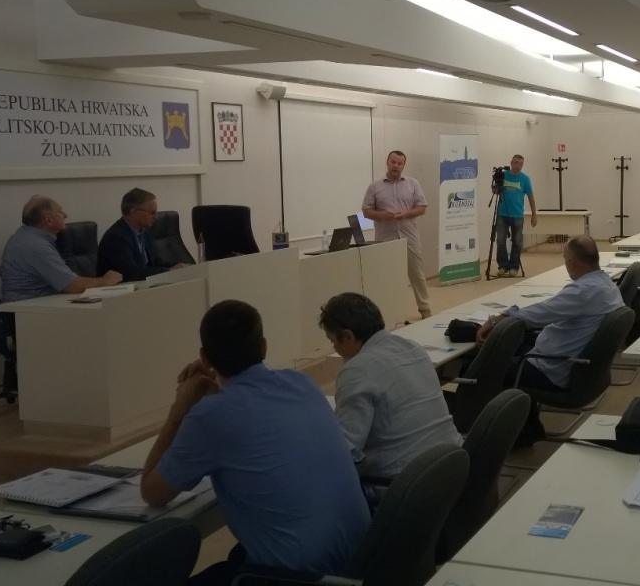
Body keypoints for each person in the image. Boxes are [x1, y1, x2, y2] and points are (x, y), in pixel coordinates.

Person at [141, 300, 370, 585]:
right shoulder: (302, 384)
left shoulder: (211, 416)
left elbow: (152, 492)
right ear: (263, 347)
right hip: (360, 561)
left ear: (204, 357)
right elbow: (249, 414)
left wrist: (178, 412)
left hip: (298, 578)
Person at [476, 235, 623, 438]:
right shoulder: (607, 285)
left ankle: (513, 432)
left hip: (552, 370)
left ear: (572, 262)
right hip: (577, 366)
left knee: (486, 366)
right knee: (514, 342)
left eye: (565, 260)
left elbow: (540, 313)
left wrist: (497, 319)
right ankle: (527, 424)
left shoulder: (583, 290)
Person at [320, 292, 461, 481]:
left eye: (332, 341)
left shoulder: (356, 370)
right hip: (453, 467)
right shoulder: (413, 347)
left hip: (403, 484)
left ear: (347, 336)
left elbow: (347, 450)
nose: (335, 349)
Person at [0, 195, 122, 301]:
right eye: (60, 211)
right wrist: (105, 280)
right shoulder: (34, 245)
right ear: (48, 220)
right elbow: (72, 286)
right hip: (26, 311)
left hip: (41, 305)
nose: (65, 215)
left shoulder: (27, 237)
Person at [362, 150, 431, 318]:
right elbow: (366, 211)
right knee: (386, 277)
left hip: (409, 237)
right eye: (393, 162)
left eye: (400, 163)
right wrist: (382, 216)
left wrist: (407, 213)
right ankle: (388, 313)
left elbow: (422, 208)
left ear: (403, 165)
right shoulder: (375, 187)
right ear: (387, 162)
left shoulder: (413, 184)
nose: (396, 166)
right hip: (385, 239)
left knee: (417, 275)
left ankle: (425, 310)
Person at [96, 188, 189, 281]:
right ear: (133, 212)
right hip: (122, 287)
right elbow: (131, 273)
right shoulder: (116, 237)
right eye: (152, 213)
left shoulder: (143, 231)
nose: (156, 217)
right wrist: (168, 271)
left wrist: (177, 266)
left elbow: (155, 262)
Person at [495, 154, 538, 277]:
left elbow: (531, 197)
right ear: (511, 163)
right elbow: (495, 191)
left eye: (520, 163)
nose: (518, 165)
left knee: (517, 242)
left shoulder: (525, 179)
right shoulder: (503, 175)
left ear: (522, 165)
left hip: (518, 215)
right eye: (515, 162)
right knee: (500, 241)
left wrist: (534, 215)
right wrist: (496, 186)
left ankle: (514, 267)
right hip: (502, 214)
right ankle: (503, 266)